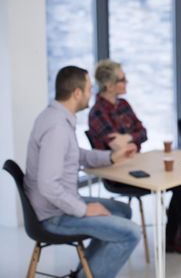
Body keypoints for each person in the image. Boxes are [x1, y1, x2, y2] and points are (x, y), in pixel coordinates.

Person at [24, 66, 141, 278]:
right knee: (131, 233)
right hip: (54, 215)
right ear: (77, 93)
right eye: (88, 89)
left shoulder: (54, 116)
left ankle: (85, 272)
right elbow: (48, 184)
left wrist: (110, 157)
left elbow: (75, 154)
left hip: (57, 204)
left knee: (122, 211)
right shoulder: (57, 128)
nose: (91, 93)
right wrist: (84, 210)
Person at [87, 59, 181, 254]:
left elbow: (143, 133)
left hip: (136, 163)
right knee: (177, 181)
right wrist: (128, 141)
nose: (126, 82)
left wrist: (127, 137)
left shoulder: (123, 104)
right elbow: (117, 147)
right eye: (122, 79)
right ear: (109, 85)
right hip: (118, 174)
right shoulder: (97, 113)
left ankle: (176, 235)